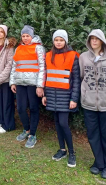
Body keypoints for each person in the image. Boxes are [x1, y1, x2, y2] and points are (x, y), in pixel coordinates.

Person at [42, 30, 80, 168]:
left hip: (66, 97)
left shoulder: (73, 56)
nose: (58, 42)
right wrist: (45, 95)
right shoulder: (48, 56)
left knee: (63, 123)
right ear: (53, 41)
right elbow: (47, 76)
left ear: (65, 41)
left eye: (61, 40)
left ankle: (72, 153)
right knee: (57, 124)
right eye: (56, 40)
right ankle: (62, 150)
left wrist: (74, 99)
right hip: (52, 95)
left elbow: (76, 80)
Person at [10, 25, 46, 148]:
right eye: (23, 36)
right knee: (20, 108)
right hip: (20, 83)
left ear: (32, 36)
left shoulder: (38, 48)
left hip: (33, 84)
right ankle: (26, 130)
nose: (25, 38)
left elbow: (42, 67)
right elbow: (14, 67)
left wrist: (40, 85)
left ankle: (33, 134)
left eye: (27, 36)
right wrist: (12, 82)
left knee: (34, 108)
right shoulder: (18, 49)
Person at [79, 29, 106, 178]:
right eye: (91, 39)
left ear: (102, 40)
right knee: (93, 135)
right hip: (88, 103)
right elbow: (81, 76)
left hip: (105, 105)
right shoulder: (83, 57)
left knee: (105, 135)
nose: (94, 41)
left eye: (97, 39)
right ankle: (99, 163)